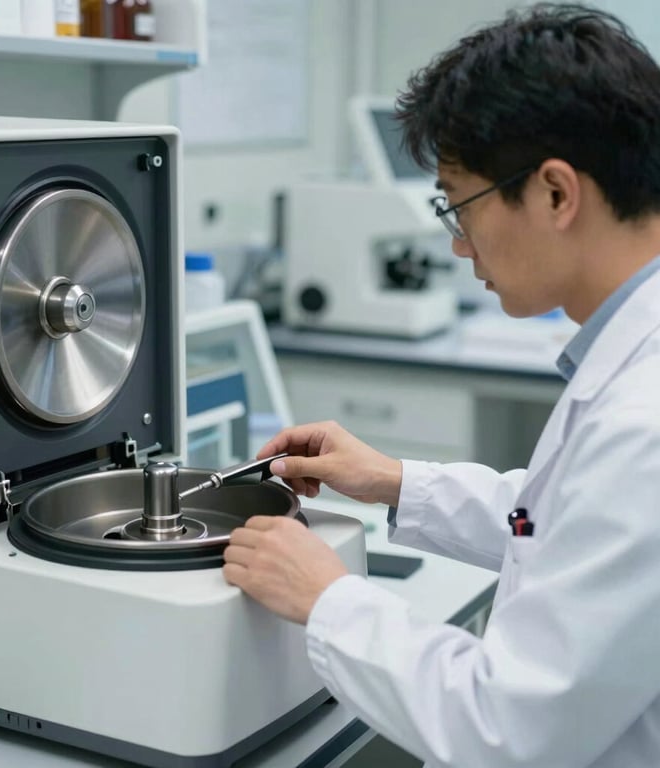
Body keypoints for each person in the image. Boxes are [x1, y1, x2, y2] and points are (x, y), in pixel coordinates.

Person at [222, 3, 660, 766]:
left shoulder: (642, 424)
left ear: (556, 194)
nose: (459, 245)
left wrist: (328, 597)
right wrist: (396, 482)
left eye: (458, 204)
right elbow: (567, 526)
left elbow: (506, 729)